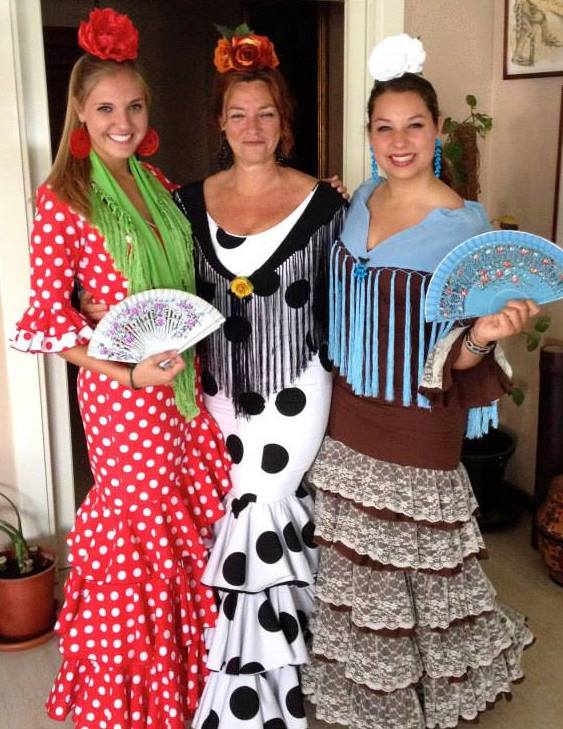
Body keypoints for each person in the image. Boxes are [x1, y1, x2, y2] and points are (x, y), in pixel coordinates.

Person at [302, 34, 537, 729]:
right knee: (354, 564)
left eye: (414, 126)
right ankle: (362, 689)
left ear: (437, 132)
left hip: (416, 421)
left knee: (413, 572)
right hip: (348, 411)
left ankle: (414, 699)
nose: (398, 140)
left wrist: (484, 336)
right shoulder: (358, 200)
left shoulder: (463, 227)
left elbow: (457, 358)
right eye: (384, 126)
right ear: (368, 134)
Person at [10, 9, 231, 729]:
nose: (122, 119)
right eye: (105, 106)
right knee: (136, 540)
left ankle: (180, 682)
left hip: (182, 385)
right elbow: (49, 322)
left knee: (179, 531)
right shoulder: (63, 199)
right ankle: (128, 702)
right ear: (79, 110)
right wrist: (127, 371)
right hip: (123, 394)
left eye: (134, 105)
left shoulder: (159, 180)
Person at [169, 27, 346, 729]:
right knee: (228, 520)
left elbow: (351, 290)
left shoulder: (328, 203)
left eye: (266, 114)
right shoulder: (185, 202)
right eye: (238, 114)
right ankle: (246, 683)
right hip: (216, 393)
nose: (252, 127)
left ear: (285, 123)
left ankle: (257, 700)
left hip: (296, 388)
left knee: (264, 509)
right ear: (220, 122)